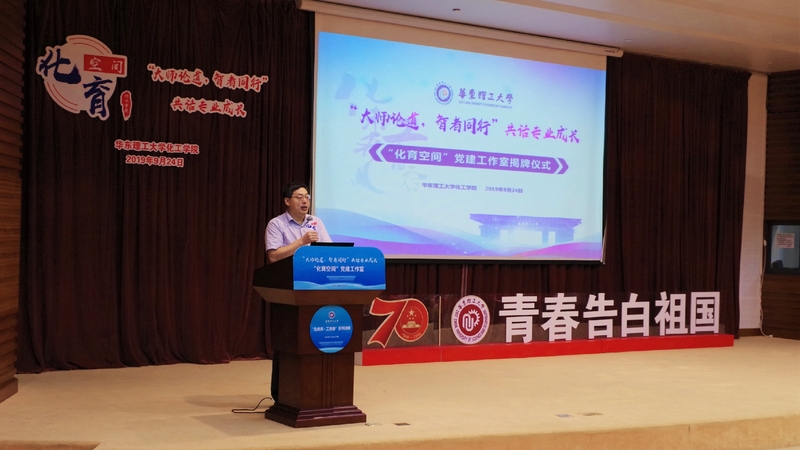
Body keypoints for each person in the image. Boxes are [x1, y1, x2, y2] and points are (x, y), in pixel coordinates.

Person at [264, 182, 331, 402]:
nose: (305, 201)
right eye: (299, 197)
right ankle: (283, 393)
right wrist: (301, 242)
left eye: (307, 196)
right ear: (287, 201)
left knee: (315, 337)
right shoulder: (276, 224)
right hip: (289, 289)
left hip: (317, 287)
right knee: (290, 340)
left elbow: (329, 250)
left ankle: (315, 390)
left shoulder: (316, 222)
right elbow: (273, 256)